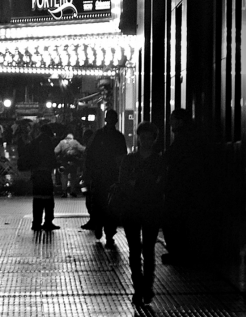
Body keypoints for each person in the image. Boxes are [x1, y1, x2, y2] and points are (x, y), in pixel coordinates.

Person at [117, 122, 167, 305]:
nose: (145, 141)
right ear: (138, 138)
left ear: (154, 139)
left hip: (146, 209)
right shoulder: (136, 160)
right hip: (137, 208)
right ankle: (141, 288)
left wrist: (136, 183)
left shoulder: (154, 161)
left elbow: (158, 184)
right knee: (137, 250)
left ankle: (146, 287)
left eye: (149, 138)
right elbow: (125, 183)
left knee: (146, 250)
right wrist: (146, 184)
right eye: (143, 137)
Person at [162, 108, 206, 265]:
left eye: (173, 119)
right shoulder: (192, 138)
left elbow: (172, 158)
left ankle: (178, 253)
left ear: (180, 121)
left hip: (180, 188)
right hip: (187, 188)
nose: (170, 122)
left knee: (174, 220)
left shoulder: (183, 139)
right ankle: (180, 253)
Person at [84, 109, 128, 247]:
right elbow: (122, 158)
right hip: (107, 175)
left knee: (102, 204)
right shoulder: (117, 137)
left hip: (103, 175)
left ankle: (103, 229)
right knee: (108, 205)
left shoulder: (99, 135)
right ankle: (107, 232)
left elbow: (89, 154)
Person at [26, 123, 60, 232]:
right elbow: (51, 157)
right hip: (45, 173)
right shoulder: (47, 141)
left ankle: (36, 222)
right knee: (48, 198)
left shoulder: (35, 141)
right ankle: (48, 222)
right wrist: (56, 165)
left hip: (36, 174)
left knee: (37, 199)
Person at [54, 133, 87, 197]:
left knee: (64, 176)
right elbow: (83, 149)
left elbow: (55, 151)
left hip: (64, 162)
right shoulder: (75, 142)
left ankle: (64, 191)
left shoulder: (61, 142)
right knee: (73, 177)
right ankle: (72, 191)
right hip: (73, 162)